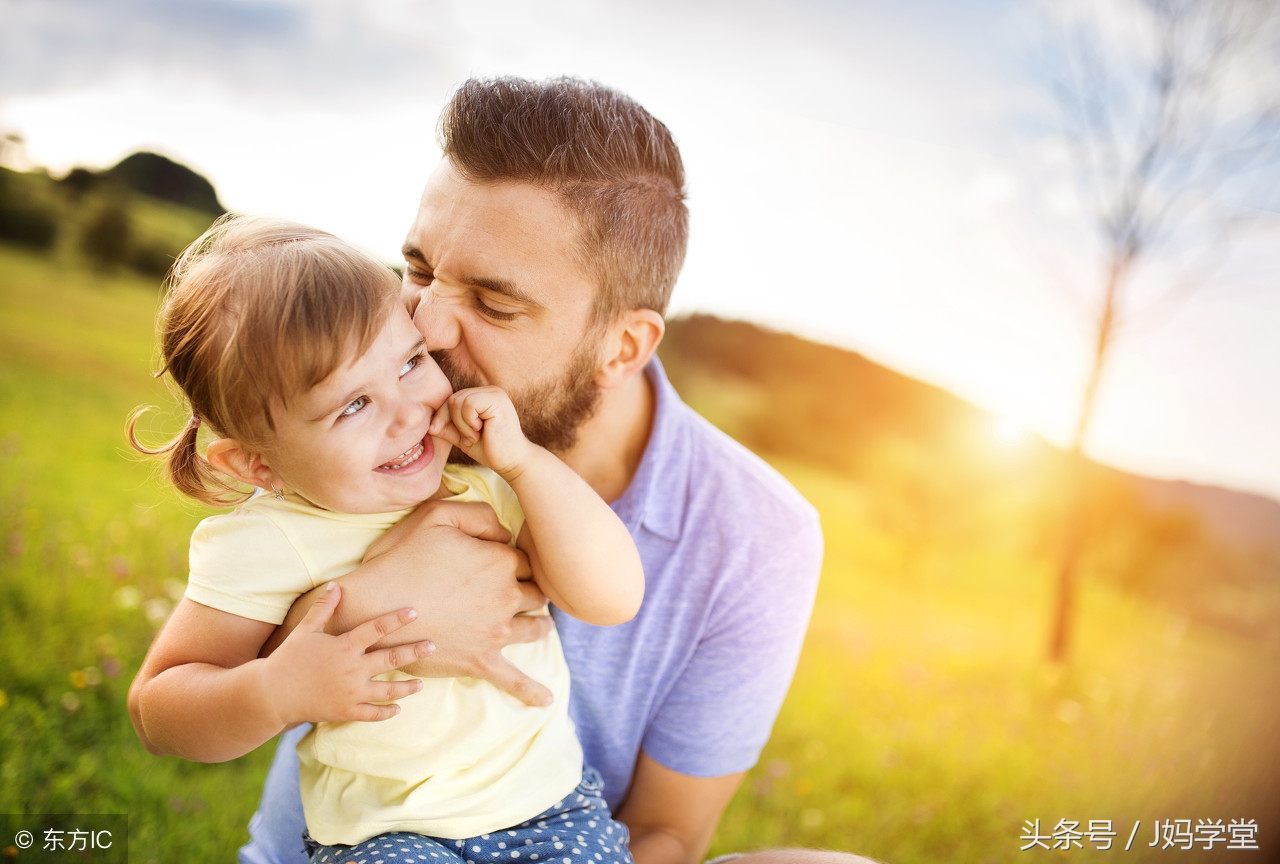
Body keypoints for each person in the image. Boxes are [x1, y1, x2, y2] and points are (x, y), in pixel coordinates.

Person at [242, 77, 875, 864]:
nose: (426, 325)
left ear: (622, 348)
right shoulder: (384, 431)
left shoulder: (758, 534)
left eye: (494, 303)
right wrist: (378, 617)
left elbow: (667, 830)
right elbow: (192, 688)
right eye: (419, 268)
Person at [127, 215, 644, 863]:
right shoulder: (266, 542)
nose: (406, 414)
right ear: (259, 465)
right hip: (385, 837)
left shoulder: (481, 478)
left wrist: (525, 466)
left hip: (549, 810)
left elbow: (612, 597)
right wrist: (275, 688)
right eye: (351, 406)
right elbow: (157, 711)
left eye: (409, 363)